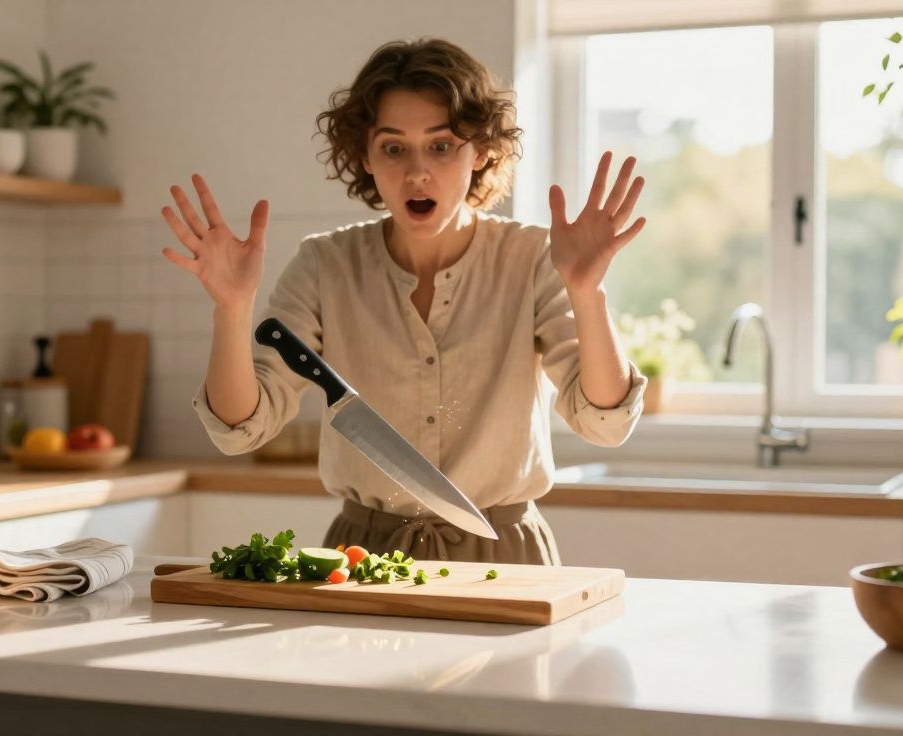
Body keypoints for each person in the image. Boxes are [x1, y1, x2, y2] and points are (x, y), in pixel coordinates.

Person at [161, 38, 647, 564]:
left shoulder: (532, 258)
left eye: (441, 146)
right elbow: (240, 430)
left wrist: (586, 292)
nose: (417, 172)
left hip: (505, 555)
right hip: (361, 557)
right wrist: (232, 310)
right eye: (394, 147)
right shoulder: (325, 265)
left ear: (480, 151)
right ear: (365, 157)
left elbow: (606, 422)